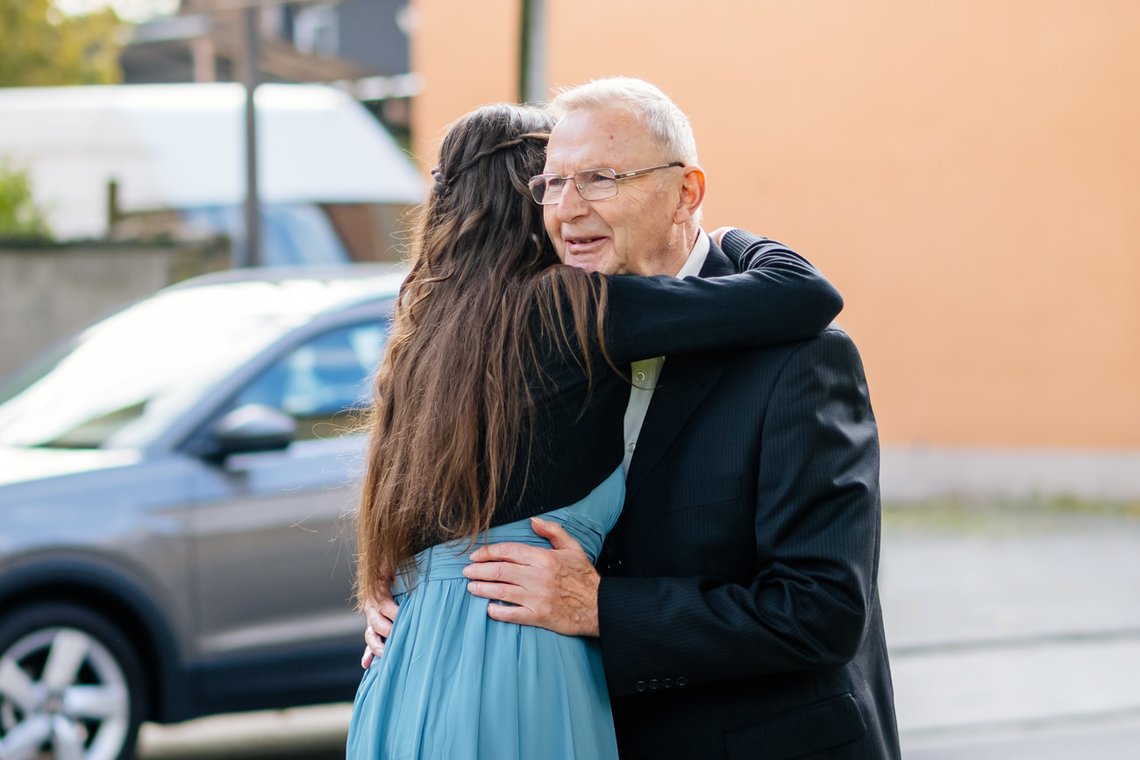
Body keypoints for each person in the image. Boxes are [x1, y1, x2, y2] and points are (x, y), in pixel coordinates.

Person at [365, 78, 901, 758]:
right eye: (552, 183)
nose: (567, 209)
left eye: (600, 179)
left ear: (686, 193)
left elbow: (823, 613)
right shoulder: (539, 336)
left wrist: (602, 609)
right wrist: (403, 599)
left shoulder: (801, 360)